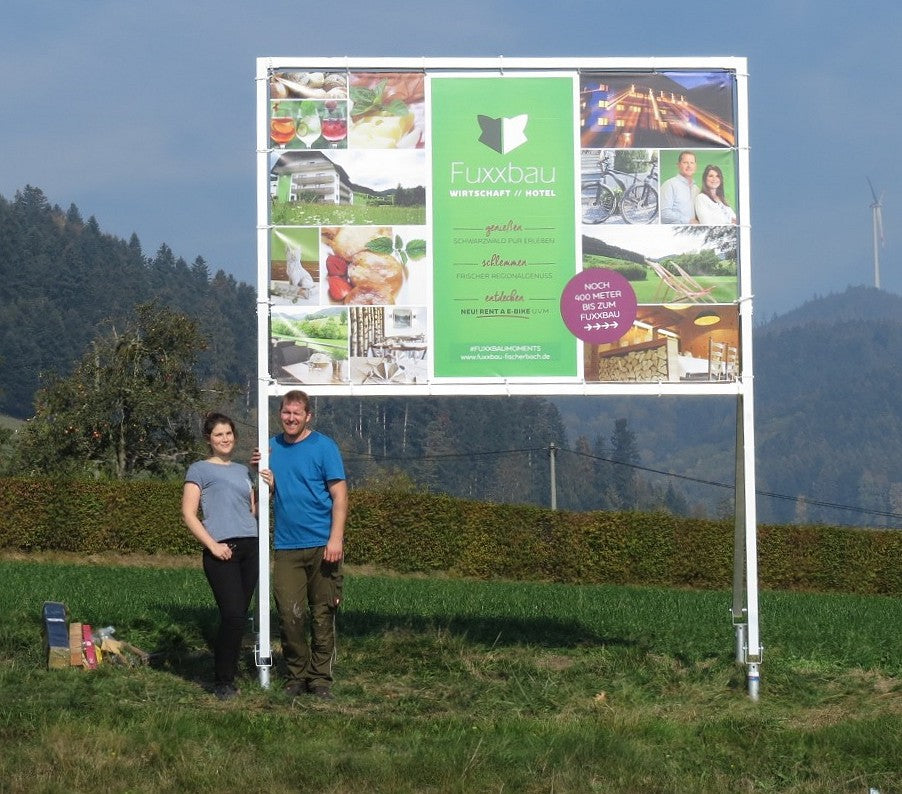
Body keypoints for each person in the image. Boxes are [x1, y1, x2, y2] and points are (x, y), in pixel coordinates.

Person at [255, 390, 347, 700]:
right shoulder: (271, 448)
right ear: (280, 413)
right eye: (286, 413)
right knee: (290, 615)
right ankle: (296, 674)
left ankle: (320, 679)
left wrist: (336, 539)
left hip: (322, 544)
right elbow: (264, 492)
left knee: (322, 614)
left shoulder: (324, 447)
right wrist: (258, 468)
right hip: (286, 546)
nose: (290, 418)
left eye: (297, 413)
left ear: (308, 416)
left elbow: (340, 496)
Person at [182, 413, 259, 701]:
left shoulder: (243, 471)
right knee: (233, 614)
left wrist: (268, 485)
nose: (225, 439)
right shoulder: (199, 469)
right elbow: (189, 514)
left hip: (250, 547)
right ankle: (222, 681)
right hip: (222, 550)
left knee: (239, 618)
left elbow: (252, 512)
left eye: (228, 434)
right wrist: (213, 546)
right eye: (218, 435)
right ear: (209, 440)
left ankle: (228, 674)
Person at [659, 150, 699, 224]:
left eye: (692, 163)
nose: (689, 166)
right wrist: (688, 221)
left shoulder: (696, 189)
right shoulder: (669, 185)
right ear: (678, 165)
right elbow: (663, 213)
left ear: (695, 166)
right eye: (685, 162)